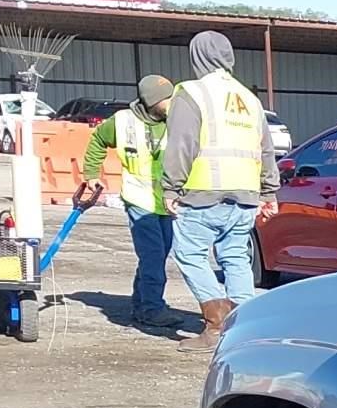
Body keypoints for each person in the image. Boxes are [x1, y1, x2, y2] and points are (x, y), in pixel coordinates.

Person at [163, 31, 276, 345]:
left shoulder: (191, 93)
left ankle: (217, 325)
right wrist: (269, 191)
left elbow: (181, 144)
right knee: (236, 257)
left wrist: (171, 187)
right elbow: (266, 148)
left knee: (188, 253)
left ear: (197, 56)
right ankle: (246, 328)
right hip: (245, 195)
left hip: (203, 193)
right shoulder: (249, 99)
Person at [82, 75, 177, 330]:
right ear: (151, 101)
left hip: (167, 202)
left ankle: (141, 303)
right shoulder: (122, 122)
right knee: (153, 255)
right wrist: (91, 175)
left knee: (157, 254)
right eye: (166, 98)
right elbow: (98, 141)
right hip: (139, 198)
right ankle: (152, 309)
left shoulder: (177, 121)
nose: (171, 103)